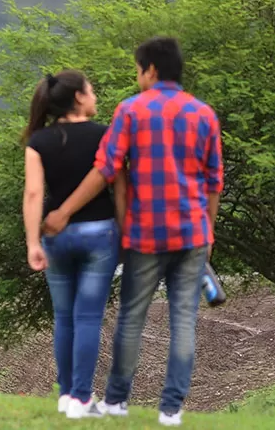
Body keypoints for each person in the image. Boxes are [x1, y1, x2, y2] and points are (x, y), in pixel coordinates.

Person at [43, 37, 222, 427]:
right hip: (193, 234)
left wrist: (64, 210)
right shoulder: (204, 114)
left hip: (145, 235)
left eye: (138, 70)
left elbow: (106, 169)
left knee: (131, 319)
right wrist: (208, 233)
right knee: (184, 321)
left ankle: (117, 402)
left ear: (151, 71)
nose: (137, 76)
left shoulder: (131, 111)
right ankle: (171, 410)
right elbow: (213, 183)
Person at [22, 69, 119, 420]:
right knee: (88, 316)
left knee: (63, 317)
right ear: (79, 97)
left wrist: (33, 241)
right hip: (99, 234)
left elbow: (33, 193)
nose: (95, 96)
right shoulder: (105, 136)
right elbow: (116, 184)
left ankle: (66, 396)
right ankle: (81, 398)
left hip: (55, 237)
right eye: (91, 90)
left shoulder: (39, 142)